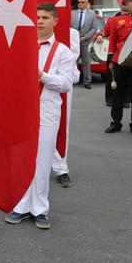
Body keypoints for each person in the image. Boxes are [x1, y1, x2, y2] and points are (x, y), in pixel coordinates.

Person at [5, 2, 74, 229]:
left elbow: (66, 83)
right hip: (21, 111)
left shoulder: (62, 51)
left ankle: (40, 208)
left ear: (55, 21)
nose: (41, 21)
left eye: (45, 17)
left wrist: (42, 75)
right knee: (21, 158)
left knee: (42, 161)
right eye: (38, 17)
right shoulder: (21, 47)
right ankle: (21, 204)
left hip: (47, 112)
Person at [103, 0, 132, 137]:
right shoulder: (116, 20)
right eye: (131, 1)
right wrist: (111, 61)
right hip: (120, 61)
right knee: (118, 94)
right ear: (127, 3)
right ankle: (115, 122)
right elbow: (113, 42)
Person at [51, 28, 81, 188]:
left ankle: (60, 168)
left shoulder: (71, 33)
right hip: (32, 87)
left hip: (58, 84)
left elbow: (72, 57)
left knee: (61, 128)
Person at [96, 6, 131, 108]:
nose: (125, 12)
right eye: (123, 10)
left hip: (129, 52)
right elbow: (105, 31)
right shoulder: (113, 20)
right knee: (111, 77)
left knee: (129, 77)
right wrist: (100, 36)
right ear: (121, 11)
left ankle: (126, 100)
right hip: (114, 51)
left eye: (127, 11)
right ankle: (110, 99)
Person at [71, 0, 99, 89]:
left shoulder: (92, 14)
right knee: (72, 61)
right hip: (74, 41)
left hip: (85, 41)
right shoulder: (72, 13)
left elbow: (94, 28)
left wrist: (86, 37)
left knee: (86, 62)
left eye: (82, 2)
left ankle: (87, 81)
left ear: (87, 4)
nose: (80, 4)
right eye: (79, 2)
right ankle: (73, 80)